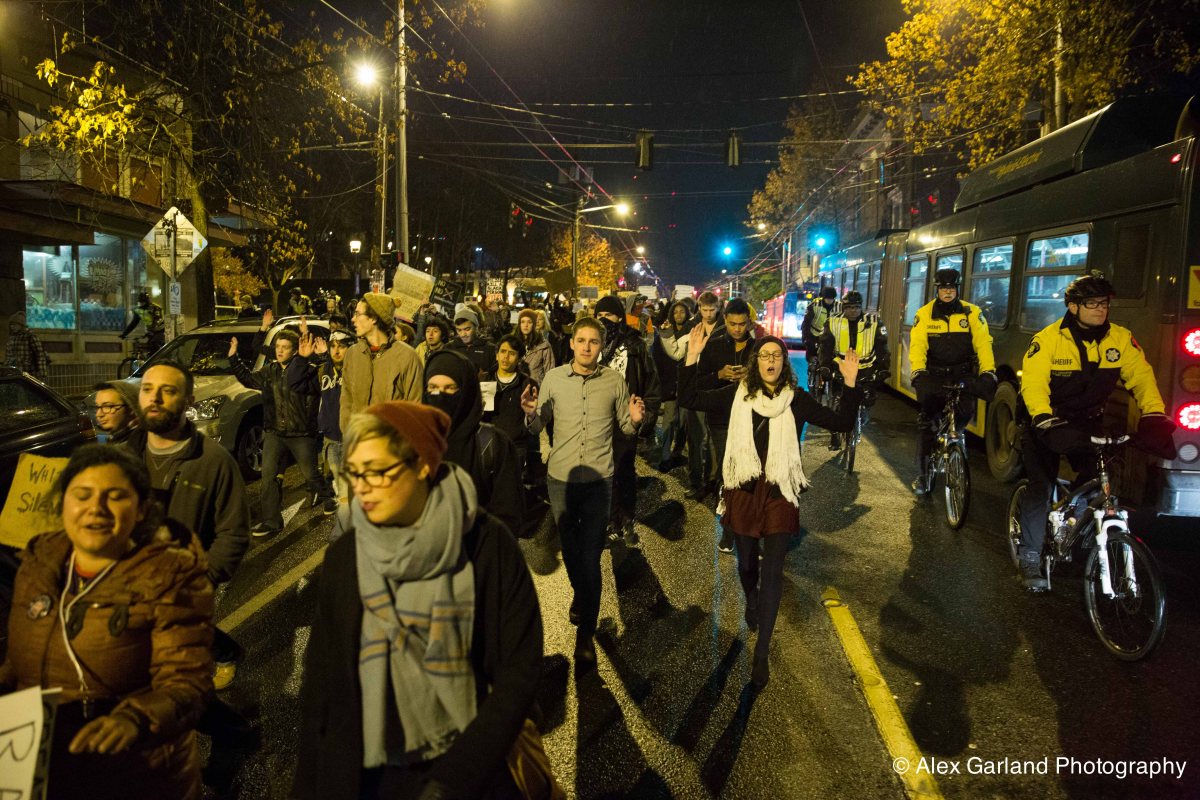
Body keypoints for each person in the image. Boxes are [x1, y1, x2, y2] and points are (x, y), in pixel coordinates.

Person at [293, 401, 544, 800]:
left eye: (377, 471)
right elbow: (322, 682)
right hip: (367, 772)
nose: (361, 487)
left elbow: (519, 670)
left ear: (423, 465)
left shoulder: (484, 545)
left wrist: (454, 780)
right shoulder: (346, 556)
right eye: (354, 473)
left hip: (464, 772)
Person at [1, 444, 213, 800]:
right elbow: (21, 660)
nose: (95, 508)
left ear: (141, 509)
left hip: (135, 772)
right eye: (82, 495)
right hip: (44, 765)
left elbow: (188, 682)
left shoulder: (168, 575)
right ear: (63, 502)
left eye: (115, 497)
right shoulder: (38, 562)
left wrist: (134, 720)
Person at [679, 330, 861, 688]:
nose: (771, 360)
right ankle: (751, 598)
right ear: (756, 362)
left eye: (777, 355)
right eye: (765, 355)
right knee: (747, 565)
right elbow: (689, 397)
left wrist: (851, 385)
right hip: (744, 488)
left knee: (774, 570)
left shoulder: (797, 400)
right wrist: (691, 359)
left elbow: (841, 422)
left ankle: (761, 654)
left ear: (784, 362)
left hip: (780, 489)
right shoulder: (737, 394)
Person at [1014, 271, 1176, 591]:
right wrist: (1044, 419)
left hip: (1087, 422)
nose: (1101, 309)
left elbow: (1142, 378)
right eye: (1092, 303)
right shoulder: (1048, 340)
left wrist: (1154, 414)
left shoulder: (1120, 338)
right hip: (1046, 422)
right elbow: (1033, 384)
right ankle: (1030, 555)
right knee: (1040, 487)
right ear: (1073, 307)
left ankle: (1074, 521)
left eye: (1104, 303)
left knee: (1098, 480)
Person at [521, 317, 646, 668]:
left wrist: (636, 420)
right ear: (572, 343)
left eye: (594, 341)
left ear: (601, 346)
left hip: (598, 481)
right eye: (581, 340)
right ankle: (583, 592)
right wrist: (530, 414)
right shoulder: (554, 379)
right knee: (573, 552)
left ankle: (586, 633)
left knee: (590, 556)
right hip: (560, 479)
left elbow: (625, 428)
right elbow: (538, 425)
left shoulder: (614, 381)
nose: (587, 347)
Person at [124, 361, 249, 688]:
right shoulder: (122, 457)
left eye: (168, 391)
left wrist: (203, 579)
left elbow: (233, 533)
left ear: (189, 401)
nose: (155, 398)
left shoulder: (214, 461)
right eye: (148, 389)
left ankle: (221, 668)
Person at [230, 323, 334, 535]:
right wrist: (234, 358)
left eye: (285, 347)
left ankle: (328, 496)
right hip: (275, 432)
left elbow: (325, 378)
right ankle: (272, 521)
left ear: (295, 350)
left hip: (301, 433)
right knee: (268, 477)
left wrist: (321, 356)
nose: (279, 351)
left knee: (310, 474)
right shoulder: (270, 371)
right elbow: (249, 379)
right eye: (277, 346)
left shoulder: (308, 370)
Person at [909, 268, 997, 494]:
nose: (947, 292)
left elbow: (983, 343)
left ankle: (954, 436)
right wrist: (918, 371)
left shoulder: (972, 312)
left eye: (951, 288)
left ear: (957, 289)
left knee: (966, 411)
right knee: (927, 425)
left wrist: (988, 371)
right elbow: (918, 345)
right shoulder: (925, 314)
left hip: (962, 373)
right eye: (943, 288)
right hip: (934, 374)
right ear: (937, 290)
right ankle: (923, 476)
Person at [425, 349, 524, 535]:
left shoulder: (493, 443)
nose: (440, 396)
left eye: (450, 388)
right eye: (432, 388)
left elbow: (508, 513)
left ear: (467, 392)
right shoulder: (412, 442)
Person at [593, 295, 661, 546]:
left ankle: (626, 516)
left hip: (626, 418)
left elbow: (650, 382)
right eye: (599, 316)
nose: (604, 320)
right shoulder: (591, 343)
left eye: (609, 315)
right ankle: (609, 518)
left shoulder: (635, 345)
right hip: (597, 419)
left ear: (620, 318)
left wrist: (647, 416)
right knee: (602, 470)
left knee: (623, 468)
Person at [694, 297, 756, 553]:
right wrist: (719, 374)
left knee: (751, 472)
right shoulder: (715, 345)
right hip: (721, 419)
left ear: (748, 322)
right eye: (732, 324)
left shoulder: (758, 348)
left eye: (742, 324)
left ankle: (751, 528)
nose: (737, 329)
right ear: (726, 321)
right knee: (728, 472)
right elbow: (699, 382)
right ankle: (729, 529)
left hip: (752, 419)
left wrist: (751, 377)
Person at [288, 327, 354, 513]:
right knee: (341, 488)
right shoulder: (323, 370)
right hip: (331, 438)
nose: (336, 350)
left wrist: (324, 357)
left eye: (341, 346)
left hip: (354, 439)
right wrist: (302, 359)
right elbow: (295, 383)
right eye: (333, 346)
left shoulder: (357, 369)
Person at [340, 293, 424, 431]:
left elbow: (415, 408)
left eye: (358, 314)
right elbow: (346, 400)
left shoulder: (408, 357)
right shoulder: (353, 353)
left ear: (373, 318)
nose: (353, 319)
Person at [818, 290, 890, 448]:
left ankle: (862, 416)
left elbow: (882, 348)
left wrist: (883, 368)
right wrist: (825, 366)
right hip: (841, 368)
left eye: (856, 307)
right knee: (837, 403)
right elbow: (825, 347)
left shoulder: (874, 322)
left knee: (868, 399)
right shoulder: (832, 322)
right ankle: (835, 435)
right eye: (849, 307)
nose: (853, 310)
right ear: (843, 307)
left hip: (866, 369)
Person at [685, 292, 724, 500]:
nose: (708, 314)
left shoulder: (725, 328)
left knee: (714, 439)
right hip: (696, 387)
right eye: (705, 310)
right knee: (695, 438)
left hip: (717, 388)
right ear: (699, 308)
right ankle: (695, 481)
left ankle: (712, 481)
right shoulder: (692, 327)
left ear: (718, 308)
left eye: (712, 310)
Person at [483, 334, 538, 481]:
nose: (506, 357)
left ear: (519, 358)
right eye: (503, 351)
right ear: (496, 355)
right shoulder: (483, 381)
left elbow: (534, 425)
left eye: (512, 353)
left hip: (515, 447)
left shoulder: (528, 385)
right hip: (486, 445)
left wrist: (531, 415)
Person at [652, 300, 691, 471]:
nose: (679, 315)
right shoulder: (665, 333)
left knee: (683, 423)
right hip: (669, 385)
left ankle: (677, 452)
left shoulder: (692, 333)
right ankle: (665, 456)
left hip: (686, 385)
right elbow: (658, 360)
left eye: (682, 311)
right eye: (675, 312)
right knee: (668, 421)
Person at [449, 308, 497, 378]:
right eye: (459, 330)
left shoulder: (490, 349)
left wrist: (486, 378)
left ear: (476, 327)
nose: (463, 334)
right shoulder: (449, 348)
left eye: (467, 329)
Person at [5, 311, 52, 381]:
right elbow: (8, 355)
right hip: (14, 372)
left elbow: (40, 354)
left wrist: (42, 373)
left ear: (21, 325)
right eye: (11, 325)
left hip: (28, 372)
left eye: (15, 325)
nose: (12, 327)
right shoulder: (12, 337)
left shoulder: (30, 336)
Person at [800, 286, 838, 367]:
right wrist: (805, 337)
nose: (829, 301)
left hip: (831, 335)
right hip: (814, 334)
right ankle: (812, 364)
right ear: (823, 297)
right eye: (827, 298)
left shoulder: (839, 307)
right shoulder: (814, 305)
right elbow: (806, 322)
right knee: (811, 349)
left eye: (831, 298)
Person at [516, 308, 555, 384]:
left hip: (536, 387)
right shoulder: (513, 343)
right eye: (522, 322)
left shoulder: (543, 345)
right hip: (516, 387)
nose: (526, 325)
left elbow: (550, 371)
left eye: (529, 322)